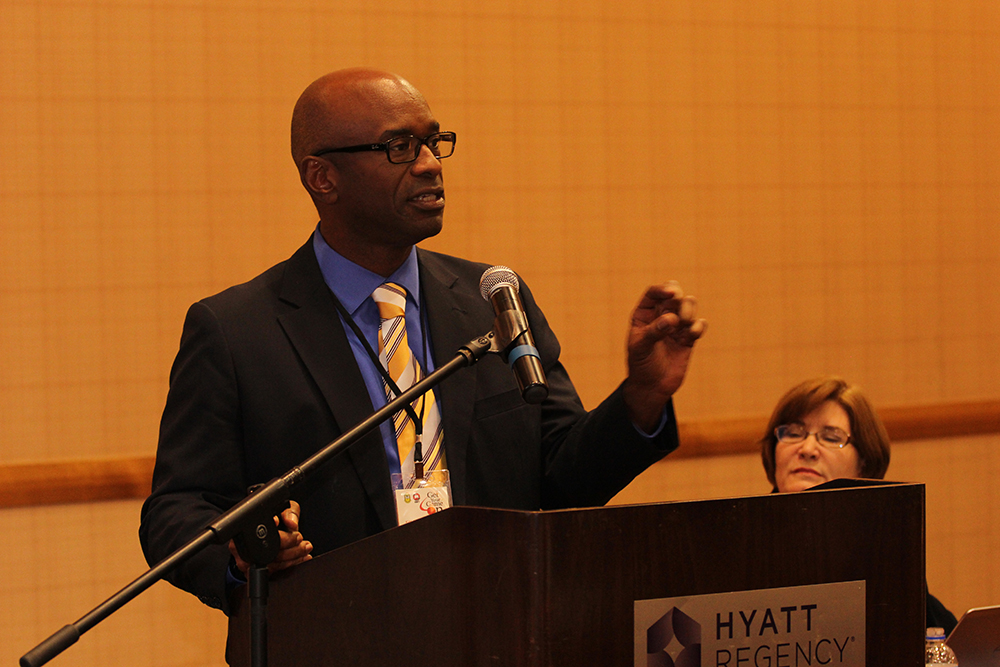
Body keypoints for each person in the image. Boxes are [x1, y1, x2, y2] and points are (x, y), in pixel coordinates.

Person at [138, 68, 706, 615]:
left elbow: (563, 478)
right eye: (399, 147)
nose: (431, 164)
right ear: (322, 177)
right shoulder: (237, 330)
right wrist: (243, 558)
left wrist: (642, 395)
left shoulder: (492, 300)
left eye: (433, 142)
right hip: (330, 637)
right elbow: (176, 510)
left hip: (498, 627)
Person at [758, 376, 957, 634]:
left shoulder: (883, 548)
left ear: (863, 463)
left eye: (831, 437)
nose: (807, 449)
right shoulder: (744, 541)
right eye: (793, 433)